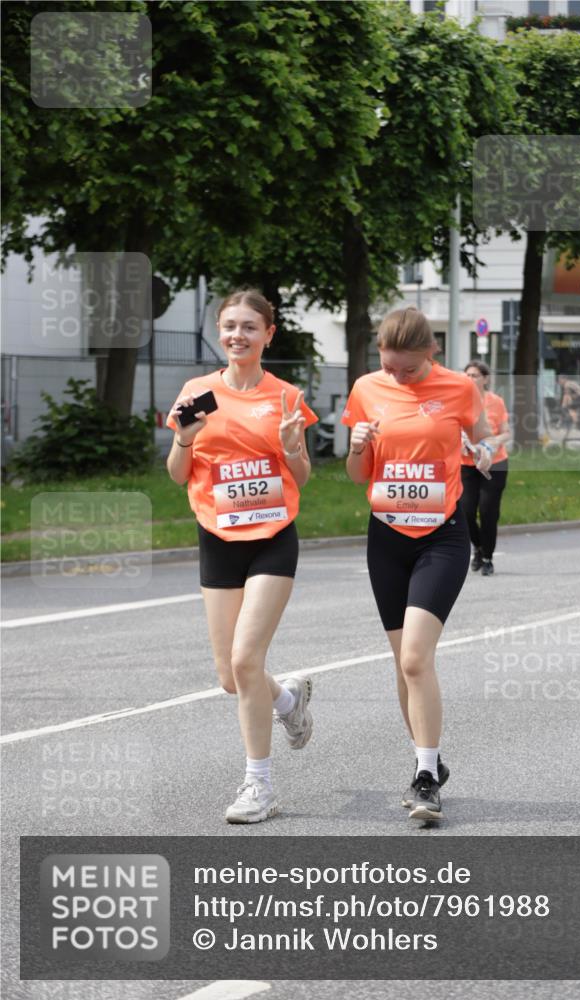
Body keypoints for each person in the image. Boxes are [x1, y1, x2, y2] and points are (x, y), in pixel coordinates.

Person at [166, 289, 318, 822]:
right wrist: (185, 439)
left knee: (247, 660)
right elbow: (177, 474)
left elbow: (302, 478)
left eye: (250, 327)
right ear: (219, 331)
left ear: (268, 334)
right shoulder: (197, 392)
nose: (238, 336)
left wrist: (291, 445)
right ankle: (287, 701)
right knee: (230, 676)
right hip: (217, 537)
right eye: (229, 326)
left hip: (273, 537)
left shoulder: (285, 397)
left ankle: (260, 786)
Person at [342, 307, 492, 822]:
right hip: (385, 536)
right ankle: (429, 758)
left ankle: (425, 777)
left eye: (408, 369)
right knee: (402, 664)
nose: (397, 378)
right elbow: (357, 473)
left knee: (414, 659)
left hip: (442, 537)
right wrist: (357, 447)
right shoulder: (367, 388)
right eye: (390, 367)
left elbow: (485, 435)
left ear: (431, 353)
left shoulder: (459, 389)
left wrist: (488, 450)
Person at [460, 361, 511, 576]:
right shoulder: (459, 400)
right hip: (466, 463)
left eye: (475, 375)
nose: (470, 379)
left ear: (485, 379)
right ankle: (477, 547)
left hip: (494, 463)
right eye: (467, 375)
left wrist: (492, 443)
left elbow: (506, 432)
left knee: (488, 511)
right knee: (466, 511)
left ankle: (488, 557)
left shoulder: (496, 402)